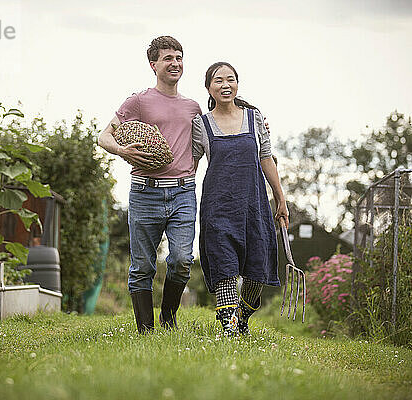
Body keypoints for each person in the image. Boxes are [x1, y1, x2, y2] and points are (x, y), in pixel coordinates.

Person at [98, 36, 202, 333]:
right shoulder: (138, 101)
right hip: (145, 192)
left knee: (182, 259)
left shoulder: (193, 107)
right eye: (168, 58)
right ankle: (146, 329)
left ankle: (168, 319)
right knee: (142, 265)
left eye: (179, 57)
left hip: (183, 192)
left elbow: (218, 125)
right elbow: (104, 136)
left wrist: (254, 119)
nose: (175, 63)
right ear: (153, 64)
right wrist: (122, 150)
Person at [192, 61, 289, 335]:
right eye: (218, 80)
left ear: (237, 84)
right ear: (209, 88)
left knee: (256, 270)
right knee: (224, 266)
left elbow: (266, 158)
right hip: (217, 207)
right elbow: (191, 165)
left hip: (253, 205)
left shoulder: (254, 118)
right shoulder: (201, 124)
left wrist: (280, 198)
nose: (225, 85)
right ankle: (230, 329)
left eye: (230, 79)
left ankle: (242, 317)